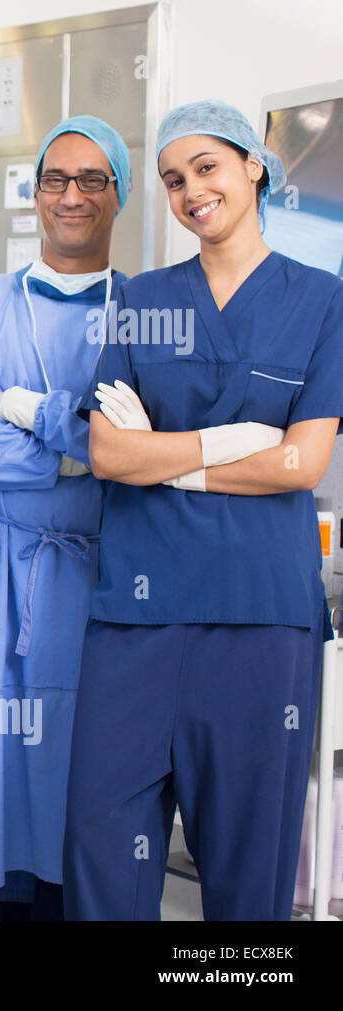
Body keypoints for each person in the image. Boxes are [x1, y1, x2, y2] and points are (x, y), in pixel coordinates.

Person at [64, 101, 343, 920]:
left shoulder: (324, 300)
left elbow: (302, 463)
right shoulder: (143, 300)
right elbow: (110, 454)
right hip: (136, 622)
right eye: (173, 180)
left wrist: (169, 457)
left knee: (248, 866)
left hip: (260, 621)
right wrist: (229, 445)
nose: (191, 191)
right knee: (102, 847)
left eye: (208, 168)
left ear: (254, 166)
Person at [0, 116, 133, 921]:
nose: (70, 196)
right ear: (33, 194)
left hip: (98, 583)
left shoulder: (142, 315)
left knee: (74, 786)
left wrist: (29, 412)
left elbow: (153, 444)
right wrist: (84, 452)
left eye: (92, 180)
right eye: (55, 179)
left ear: (120, 194)